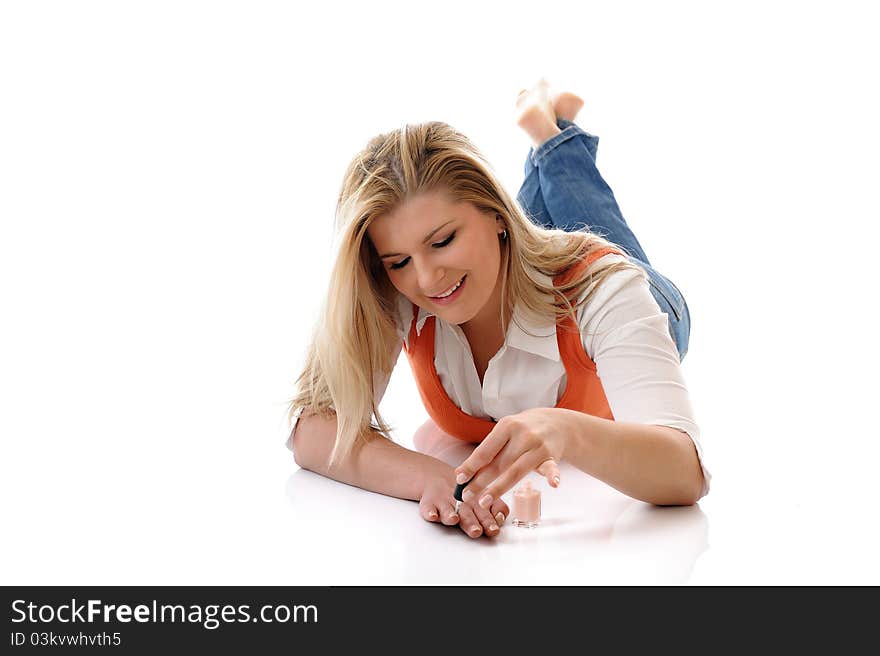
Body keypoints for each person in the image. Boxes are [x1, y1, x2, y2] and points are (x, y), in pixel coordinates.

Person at [286, 79, 710, 539]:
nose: (426, 280)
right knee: (527, 238)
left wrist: (566, 430)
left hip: (654, 302)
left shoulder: (604, 289)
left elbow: (685, 472)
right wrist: (433, 478)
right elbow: (311, 432)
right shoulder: (397, 289)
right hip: (521, 252)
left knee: (592, 222)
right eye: (400, 261)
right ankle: (550, 135)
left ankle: (555, 139)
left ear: (495, 212)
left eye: (443, 240)